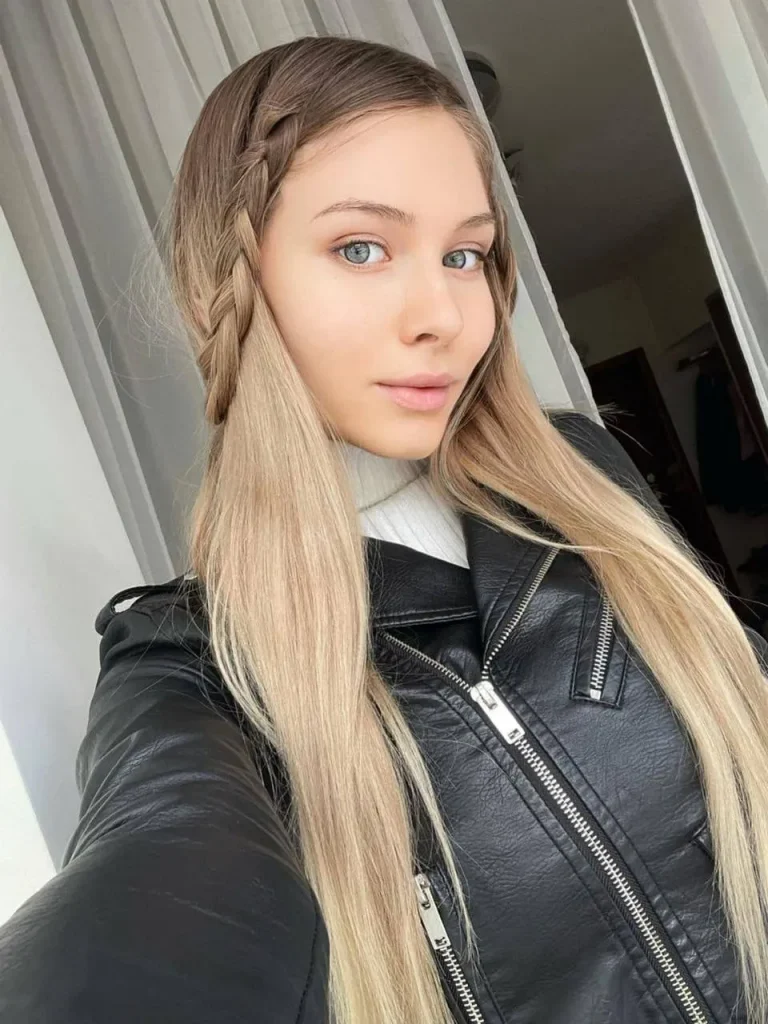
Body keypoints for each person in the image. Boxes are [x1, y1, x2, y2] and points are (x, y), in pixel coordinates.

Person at [1, 34, 767, 1024]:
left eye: (464, 254)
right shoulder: (193, 661)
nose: (443, 313)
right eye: (360, 247)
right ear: (229, 281)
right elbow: (151, 884)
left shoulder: (582, 469)